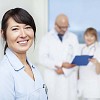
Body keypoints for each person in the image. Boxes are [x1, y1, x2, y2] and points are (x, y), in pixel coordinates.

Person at [0, 8, 48, 100]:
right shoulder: (4, 73)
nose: (23, 34)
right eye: (15, 29)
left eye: (27, 28)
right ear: (3, 34)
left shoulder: (33, 68)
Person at [39, 14, 79, 100]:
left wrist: (64, 70)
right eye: (61, 27)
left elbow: (77, 60)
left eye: (66, 27)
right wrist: (61, 64)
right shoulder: (46, 38)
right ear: (55, 25)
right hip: (53, 77)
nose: (64, 30)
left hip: (69, 78)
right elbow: (42, 59)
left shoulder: (73, 38)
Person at [78, 27, 100, 100]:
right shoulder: (82, 49)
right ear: (84, 36)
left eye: (92, 36)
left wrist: (97, 63)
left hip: (93, 87)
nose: (89, 38)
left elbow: (98, 72)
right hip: (82, 85)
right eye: (87, 35)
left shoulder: (97, 50)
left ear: (95, 38)